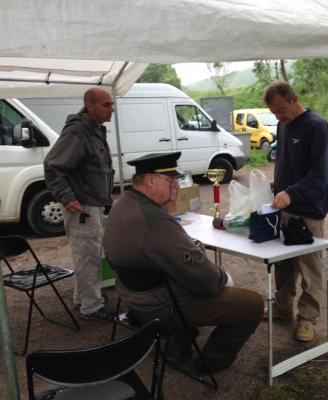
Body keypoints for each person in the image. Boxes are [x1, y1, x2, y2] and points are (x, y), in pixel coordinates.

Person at [103, 152, 264, 375]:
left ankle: (177, 338)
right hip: (158, 305)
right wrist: (222, 276)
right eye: (172, 181)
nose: (177, 187)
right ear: (151, 180)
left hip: (133, 297)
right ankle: (206, 365)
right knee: (251, 303)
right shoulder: (155, 221)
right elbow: (205, 278)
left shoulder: (123, 205)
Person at [263, 81, 328, 342]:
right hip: (284, 208)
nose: (279, 117)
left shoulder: (316, 127)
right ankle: (282, 310)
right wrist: (278, 185)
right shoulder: (283, 125)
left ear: (295, 99)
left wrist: (291, 192)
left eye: (281, 110)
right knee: (283, 266)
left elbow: (319, 176)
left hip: (308, 211)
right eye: (274, 113)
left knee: (310, 269)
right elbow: (287, 162)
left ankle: (307, 320)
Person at [44, 87, 114, 322]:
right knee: (88, 257)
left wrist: (106, 196)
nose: (111, 109)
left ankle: (82, 299)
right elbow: (53, 166)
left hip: (93, 204)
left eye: (111, 104)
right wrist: (67, 198)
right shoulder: (78, 132)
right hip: (82, 207)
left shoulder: (94, 130)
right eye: (106, 105)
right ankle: (92, 308)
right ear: (89, 105)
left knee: (88, 255)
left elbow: (96, 168)